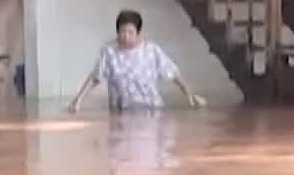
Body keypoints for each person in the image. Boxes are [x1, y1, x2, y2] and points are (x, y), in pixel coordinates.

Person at [67, 9, 207, 112]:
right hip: (121, 112)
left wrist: (190, 94)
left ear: (138, 33)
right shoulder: (109, 51)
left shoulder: (152, 50)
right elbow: (95, 78)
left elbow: (173, 74)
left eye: (130, 32)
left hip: (151, 110)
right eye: (122, 31)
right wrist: (78, 99)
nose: (126, 36)